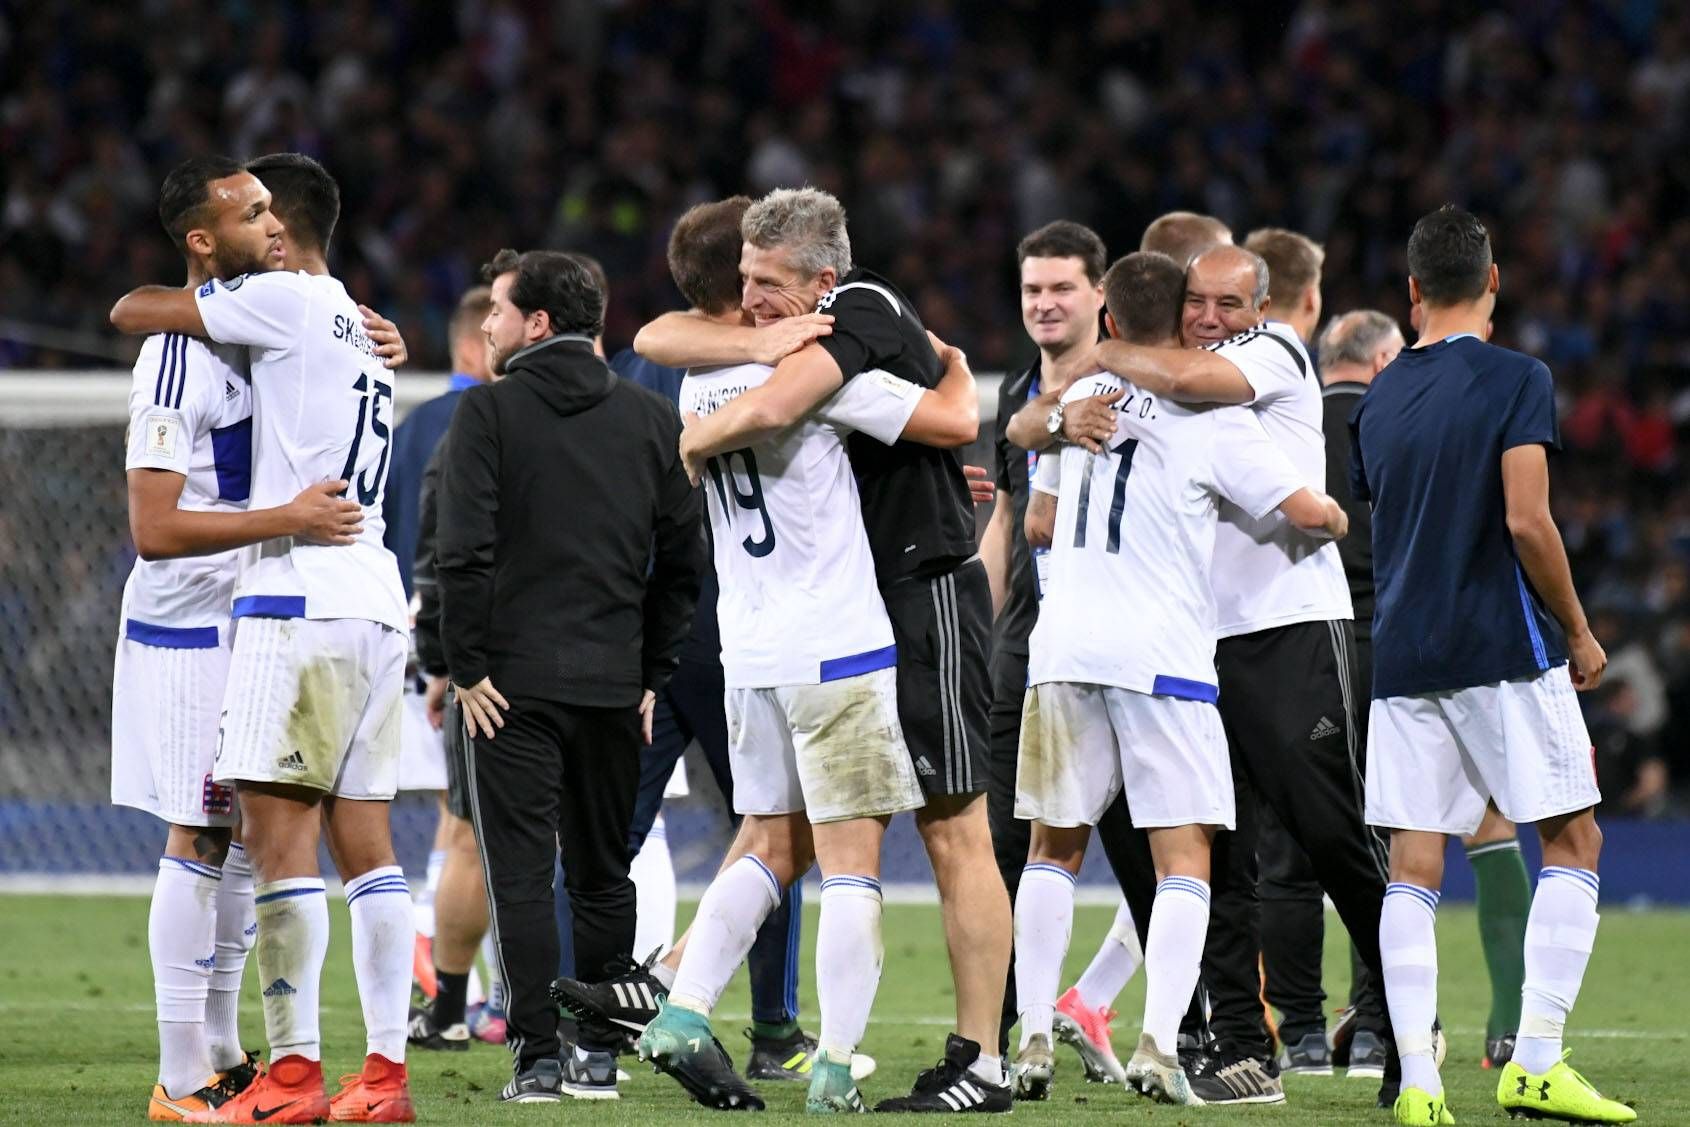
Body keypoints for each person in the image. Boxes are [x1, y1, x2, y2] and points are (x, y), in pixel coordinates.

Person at [633, 187, 1014, 1113]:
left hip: (750, 652)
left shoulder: (696, 377)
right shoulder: (825, 373)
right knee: (854, 861)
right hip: (836, 645)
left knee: (767, 842)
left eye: (768, 281)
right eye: (749, 280)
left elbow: (659, 337)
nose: (756, 297)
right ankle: (838, 1065)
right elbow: (952, 419)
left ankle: (680, 1008)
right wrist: (958, 373)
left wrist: (695, 436)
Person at [111, 152, 417, 1126]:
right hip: (196, 616)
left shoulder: (281, 314)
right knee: (207, 830)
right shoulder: (185, 350)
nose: (269, 225)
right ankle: (185, 1072)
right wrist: (284, 514)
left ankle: (236, 1055)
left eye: (271, 210)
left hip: (279, 604)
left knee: (257, 841)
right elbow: (154, 526)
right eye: (250, 214)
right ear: (207, 239)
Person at [1010, 249, 1349, 1108]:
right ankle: (1161, 1043)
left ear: (1111, 320)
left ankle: (1034, 1033)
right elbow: (1308, 511)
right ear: (1185, 322)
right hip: (1161, 655)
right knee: (1185, 858)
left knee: (1054, 844)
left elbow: (1036, 508)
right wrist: (1336, 510)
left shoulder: (1080, 401)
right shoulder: (1211, 416)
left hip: (1063, 649)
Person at [1081, 240, 1397, 1107]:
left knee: (1334, 836)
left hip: (1290, 629)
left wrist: (1101, 346)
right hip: (1197, 642)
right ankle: (1240, 1045)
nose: (1211, 317)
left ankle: (1407, 1019)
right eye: (1197, 302)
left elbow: (1193, 379)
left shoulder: (1272, 352)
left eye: (1229, 303)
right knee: (1217, 850)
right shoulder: (1154, 380)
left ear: (1261, 309)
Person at [1350, 205, 1634, 1126]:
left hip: (1403, 654)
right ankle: (1537, 1061)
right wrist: (1579, 630)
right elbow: (1526, 519)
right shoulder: (1519, 377)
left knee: (1412, 865)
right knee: (1574, 839)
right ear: (1494, 281)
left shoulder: (1378, 398)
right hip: (1500, 646)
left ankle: (1419, 1085)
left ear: (1413, 290)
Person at [436, 248, 702, 1102]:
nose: (488, 324)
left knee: (519, 875)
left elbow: (462, 552)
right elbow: (684, 562)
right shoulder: (650, 419)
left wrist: (465, 666)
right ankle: (598, 1054)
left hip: (507, 689)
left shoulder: (488, 412)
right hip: (612, 684)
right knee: (601, 873)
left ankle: (538, 1059)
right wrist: (651, 672)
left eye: (500, 310)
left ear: (538, 322)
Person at [979, 220, 1155, 1089]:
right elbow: (1010, 523)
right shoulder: (1021, 391)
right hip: (1029, 652)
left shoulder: (1139, 385)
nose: (1044, 304)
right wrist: (976, 639)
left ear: (1099, 294)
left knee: (1153, 854)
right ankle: (1001, 1035)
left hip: (1128, 654)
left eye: (1061, 288)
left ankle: (1195, 1026)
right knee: (1008, 851)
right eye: (1031, 290)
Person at [399, 286, 508, 1053]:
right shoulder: (499, 417)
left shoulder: (410, 425)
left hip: (420, 636)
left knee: (457, 819)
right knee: (495, 829)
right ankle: (501, 996)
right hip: (490, 646)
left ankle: (444, 990)